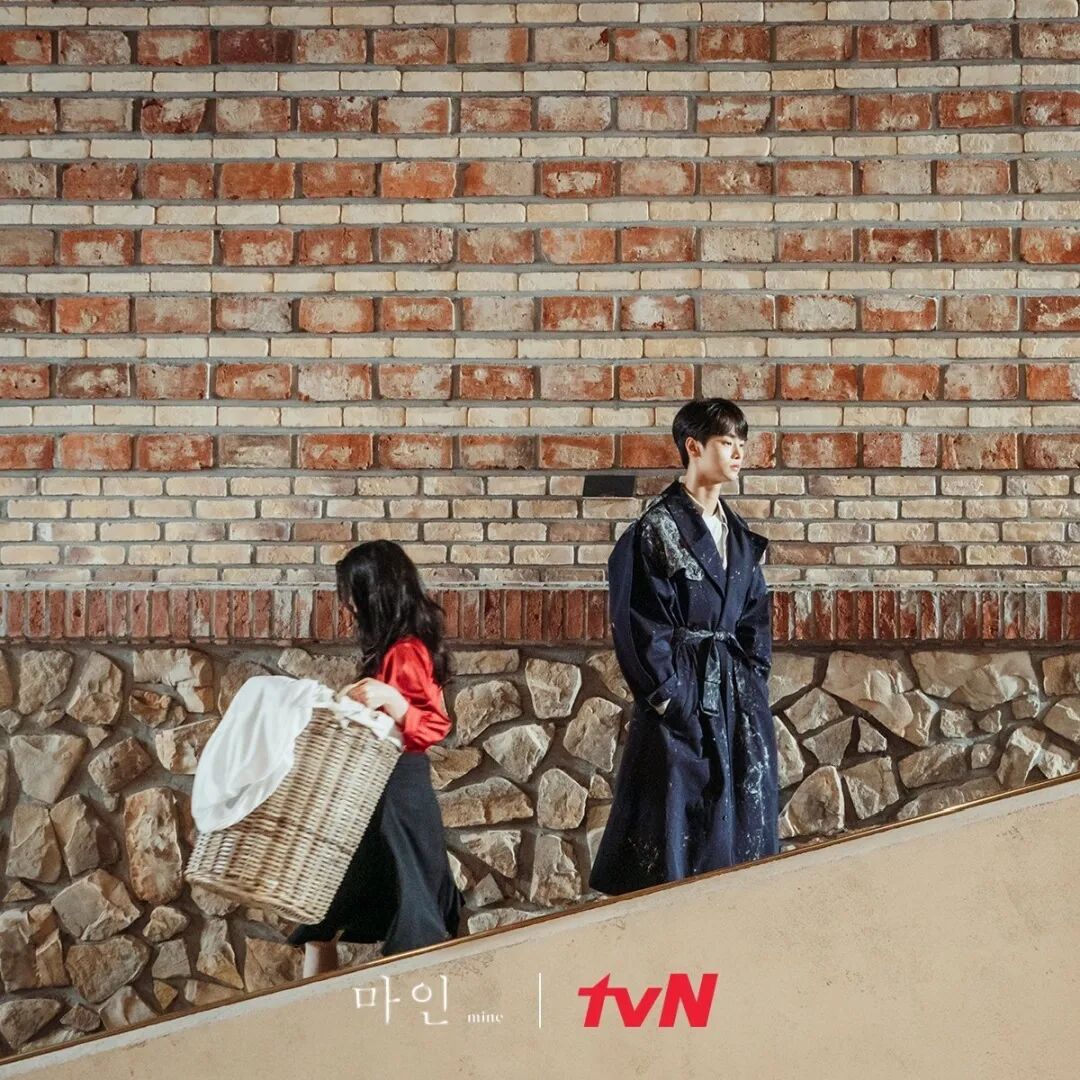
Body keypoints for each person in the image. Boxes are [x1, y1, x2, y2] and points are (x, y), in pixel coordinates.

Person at [589, 398, 778, 896]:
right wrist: (672, 699)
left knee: (739, 835)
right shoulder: (656, 531)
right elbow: (638, 624)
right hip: (683, 705)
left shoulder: (740, 537)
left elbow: (755, 617)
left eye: (741, 443)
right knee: (677, 837)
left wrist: (753, 679)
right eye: (726, 442)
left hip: (737, 704)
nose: (738, 453)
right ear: (693, 447)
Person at [287, 540, 464, 976]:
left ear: (375, 592)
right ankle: (313, 1009)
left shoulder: (406, 650)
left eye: (352, 593)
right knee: (338, 911)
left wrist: (391, 700)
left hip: (397, 794)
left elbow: (435, 724)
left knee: (409, 911)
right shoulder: (397, 649)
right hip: (381, 790)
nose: (348, 605)